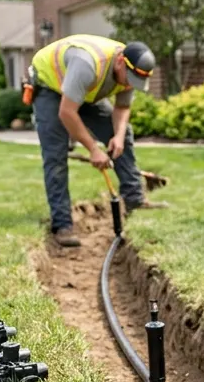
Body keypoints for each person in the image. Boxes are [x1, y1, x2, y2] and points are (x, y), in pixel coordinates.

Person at [29, 33, 166, 247]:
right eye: (129, 79)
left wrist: (118, 137)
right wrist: (93, 149)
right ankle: (62, 225)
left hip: (84, 90)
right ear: (120, 62)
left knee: (124, 134)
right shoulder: (88, 64)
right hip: (50, 87)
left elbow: (122, 107)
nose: (130, 84)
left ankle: (134, 199)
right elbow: (67, 112)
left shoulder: (130, 69)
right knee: (55, 155)